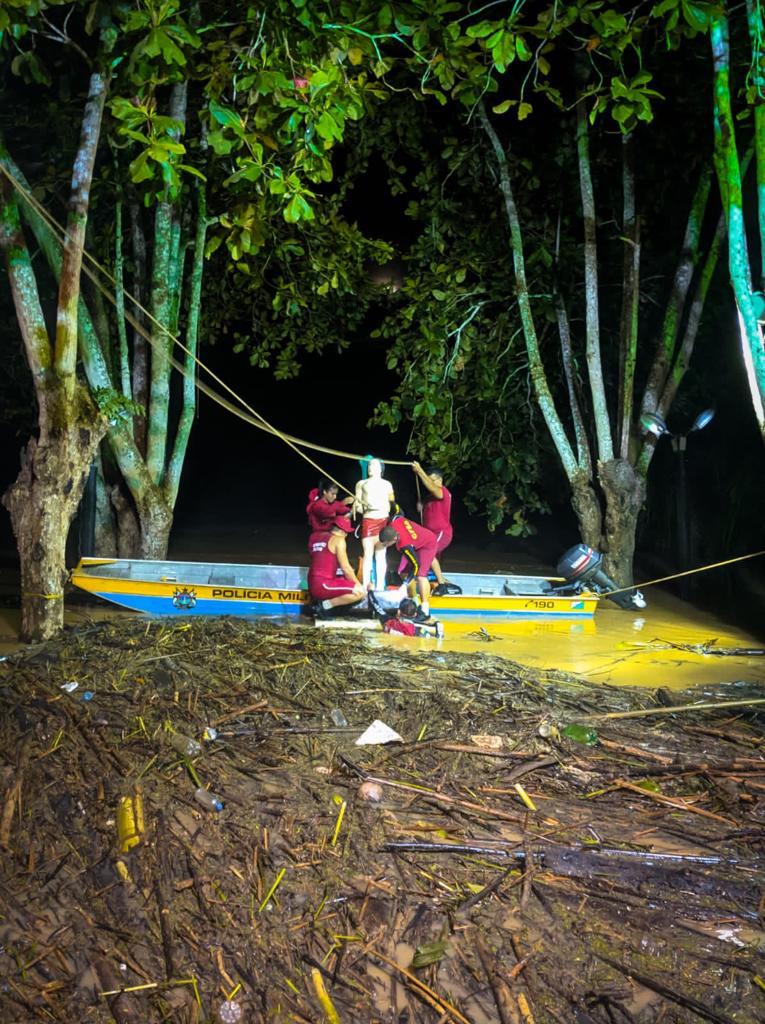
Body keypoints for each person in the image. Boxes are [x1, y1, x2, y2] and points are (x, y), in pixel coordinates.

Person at [376, 516, 437, 621]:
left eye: (387, 543)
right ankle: (414, 604)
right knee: (403, 573)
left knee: (421, 575)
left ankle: (425, 610)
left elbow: (415, 565)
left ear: (394, 539)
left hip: (428, 543)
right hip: (415, 542)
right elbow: (398, 512)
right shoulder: (395, 521)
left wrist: (405, 584)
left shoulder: (404, 544)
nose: (386, 545)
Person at [307, 516, 365, 619]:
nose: (347, 535)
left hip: (312, 583)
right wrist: (359, 585)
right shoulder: (339, 540)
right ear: (343, 531)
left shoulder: (315, 537)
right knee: (360, 592)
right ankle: (324, 606)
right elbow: (346, 568)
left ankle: (326, 608)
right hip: (323, 584)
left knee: (343, 582)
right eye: (347, 533)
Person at [352, 457, 395, 589]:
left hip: (383, 520)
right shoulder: (361, 484)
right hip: (368, 520)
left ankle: (380, 586)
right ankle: (366, 585)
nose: (371, 467)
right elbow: (356, 506)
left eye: (374, 465)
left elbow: (392, 504)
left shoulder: (387, 484)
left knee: (381, 555)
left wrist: (389, 510)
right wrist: (363, 507)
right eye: (369, 465)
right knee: (368, 554)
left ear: (381, 469)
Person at [412, 461, 453, 592]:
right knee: (423, 554)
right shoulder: (430, 497)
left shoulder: (443, 492)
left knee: (428, 553)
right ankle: (439, 581)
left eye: (432, 480)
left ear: (439, 479)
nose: (428, 484)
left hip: (442, 533)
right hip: (429, 534)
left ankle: (442, 584)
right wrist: (421, 505)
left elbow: (433, 488)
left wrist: (419, 471)